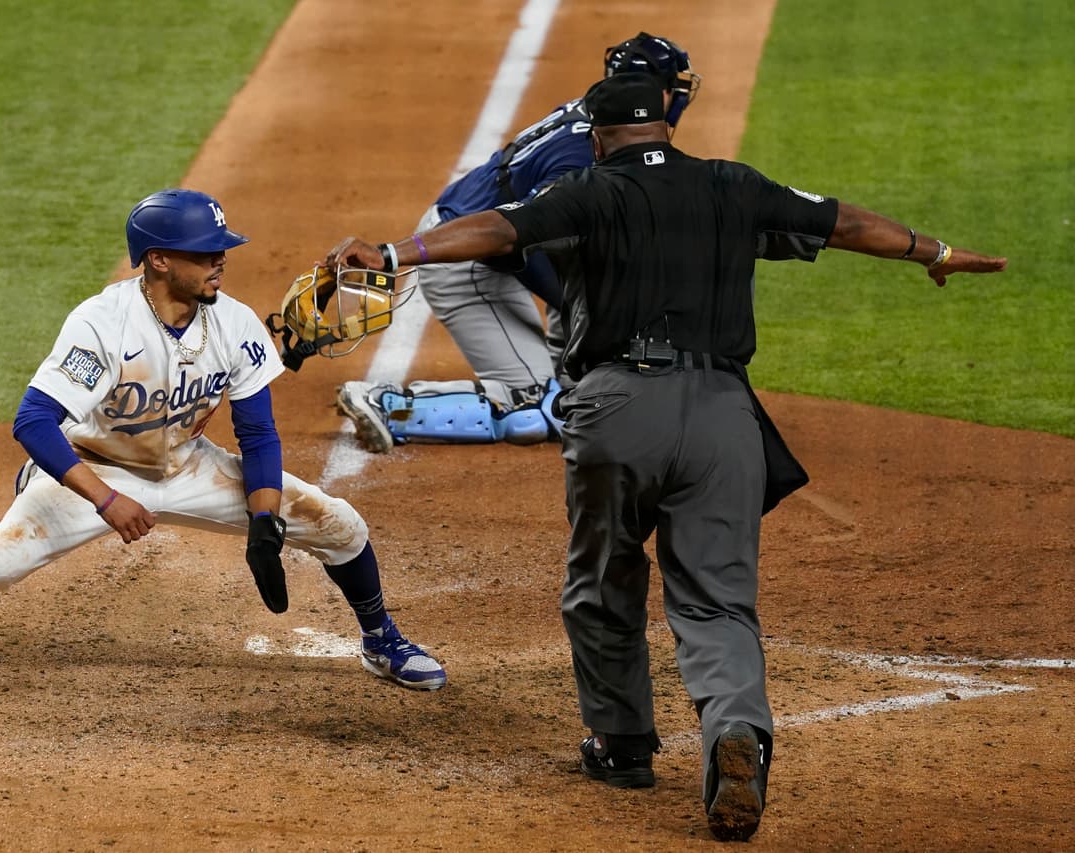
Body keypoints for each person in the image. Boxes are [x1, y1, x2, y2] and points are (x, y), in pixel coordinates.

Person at [322, 68, 1006, 840]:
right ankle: (734, 734)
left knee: (604, 575)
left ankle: (620, 747)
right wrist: (934, 250)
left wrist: (394, 251)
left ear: (599, 137)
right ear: (666, 129)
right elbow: (843, 222)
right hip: (723, 415)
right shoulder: (731, 185)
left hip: (616, 414)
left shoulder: (586, 190)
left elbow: (494, 230)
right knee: (716, 600)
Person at [0, 188, 447, 717]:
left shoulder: (232, 325)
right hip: (96, 466)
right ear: (157, 260)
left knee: (338, 523)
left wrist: (265, 520)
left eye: (222, 250)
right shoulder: (102, 324)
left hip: (187, 462)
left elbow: (257, 433)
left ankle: (381, 639)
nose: (220, 262)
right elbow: (34, 420)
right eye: (205, 252)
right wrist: (105, 501)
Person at [335, 32, 819, 454]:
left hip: (493, 244)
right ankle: (388, 404)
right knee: (533, 407)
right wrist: (581, 306)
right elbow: (517, 242)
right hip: (469, 254)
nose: (682, 95)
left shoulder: (602, 124)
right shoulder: (581, 156)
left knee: (583, 322)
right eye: (675, 85)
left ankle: (568, 370)